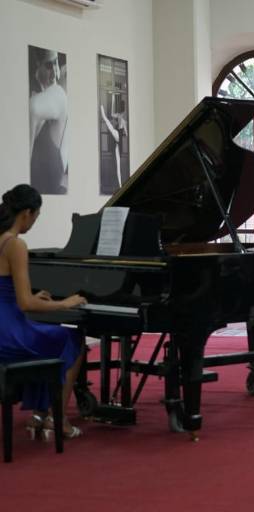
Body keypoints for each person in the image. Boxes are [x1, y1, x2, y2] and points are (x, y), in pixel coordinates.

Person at [0, 184, 87, 439]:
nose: (35, 222)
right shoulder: (15, 245)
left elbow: (11, 294)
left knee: (49, 337)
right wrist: (66, 303)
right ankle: (57, 419)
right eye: (37, 216)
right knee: (72, 339)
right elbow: (27, 305)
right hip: (8, 334)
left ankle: (38, 414)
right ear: (26, 212)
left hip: (4, 324)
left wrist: (27, 298)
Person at [29, 47, 68, 195]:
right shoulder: (34, 96)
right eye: (49, 65)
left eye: (56, 62)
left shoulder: (56, 93)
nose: (55, 72)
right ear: (38, 63)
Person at [100, 101, 128, 189]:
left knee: (106, 120)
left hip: (116, 136)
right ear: (124, 110)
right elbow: (126, 134)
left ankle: (101, 107)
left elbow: (112, 114)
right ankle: (120, 185)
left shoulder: (118, 116)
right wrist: (124, 129)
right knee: (118, 165)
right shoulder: (123, 120)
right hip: (118, 138)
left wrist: (112, 101)